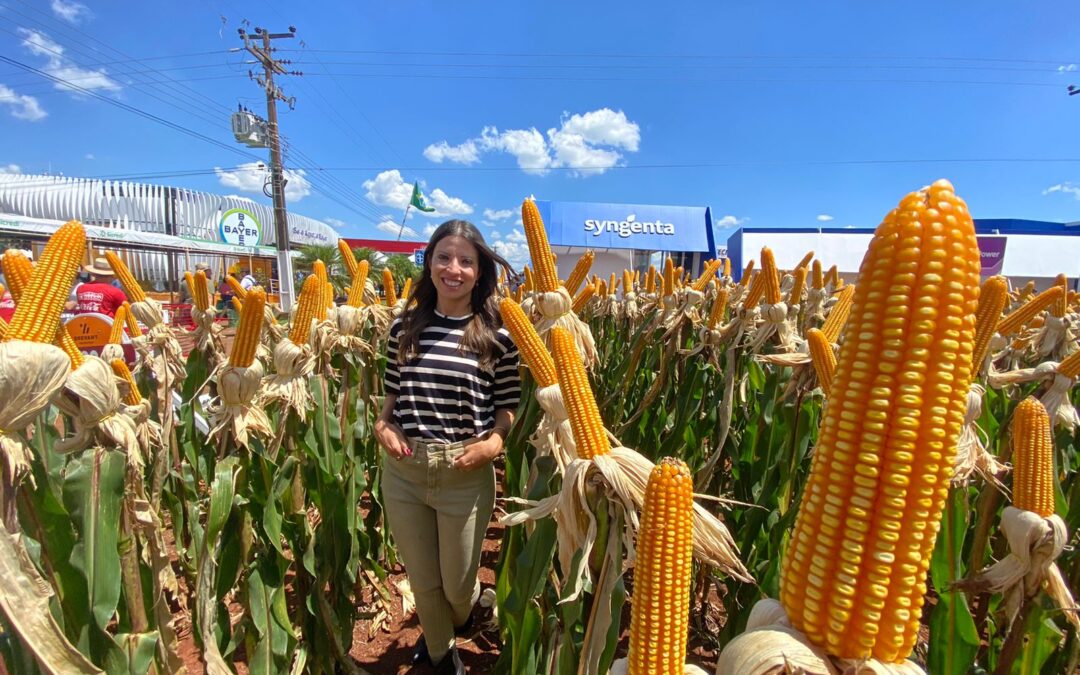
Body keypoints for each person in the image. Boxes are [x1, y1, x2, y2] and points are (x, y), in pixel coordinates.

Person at [374, 220, 520, 674]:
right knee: (423, 579)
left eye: (465, 261)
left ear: (480, 272)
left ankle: (475, 607)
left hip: (464, 470)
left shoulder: (498, 336)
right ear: (429, 262)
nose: (452, 268)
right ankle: (441, 655)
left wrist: (493, 444)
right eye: (443, 257)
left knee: (456, 587)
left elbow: (508, 405)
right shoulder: (404, 327)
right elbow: (391, 396)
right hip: (406, 469)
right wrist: (383, 427)